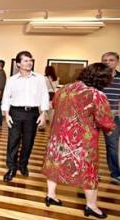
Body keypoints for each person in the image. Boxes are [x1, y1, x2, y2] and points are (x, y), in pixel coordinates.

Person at [42, 63, 115, 219]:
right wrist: (110, 129)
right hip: (81, 140)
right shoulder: (96, 95)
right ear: (102, 79)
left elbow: (54, 104)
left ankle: (50, 195)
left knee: (55, 164)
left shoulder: (65, 89)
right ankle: (91, 206)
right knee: (89, 171)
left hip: (58, 136)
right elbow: (104, 120)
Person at [1, 51, 49, 182]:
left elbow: (45, 96)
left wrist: (43, 113)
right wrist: (7, 114)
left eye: (30, 60)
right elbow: (6, 98)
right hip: (15, 113)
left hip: (32, 113)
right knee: (13, 142)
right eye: (25, 61)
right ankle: (11, 168)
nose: (29, 63)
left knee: (28, 142)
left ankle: (23, 165)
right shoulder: (11, 80)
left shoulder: (39, 78)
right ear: (18, 64)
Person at [101, 51, 120, 183]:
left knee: (112, 145)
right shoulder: (97, 78)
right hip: (95, 117)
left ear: (117, 62)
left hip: (113, 117)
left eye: (111, 60)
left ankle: (115, 173)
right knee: (90, 147)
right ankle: (90, 173)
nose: (107, 62)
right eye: (105, 60)